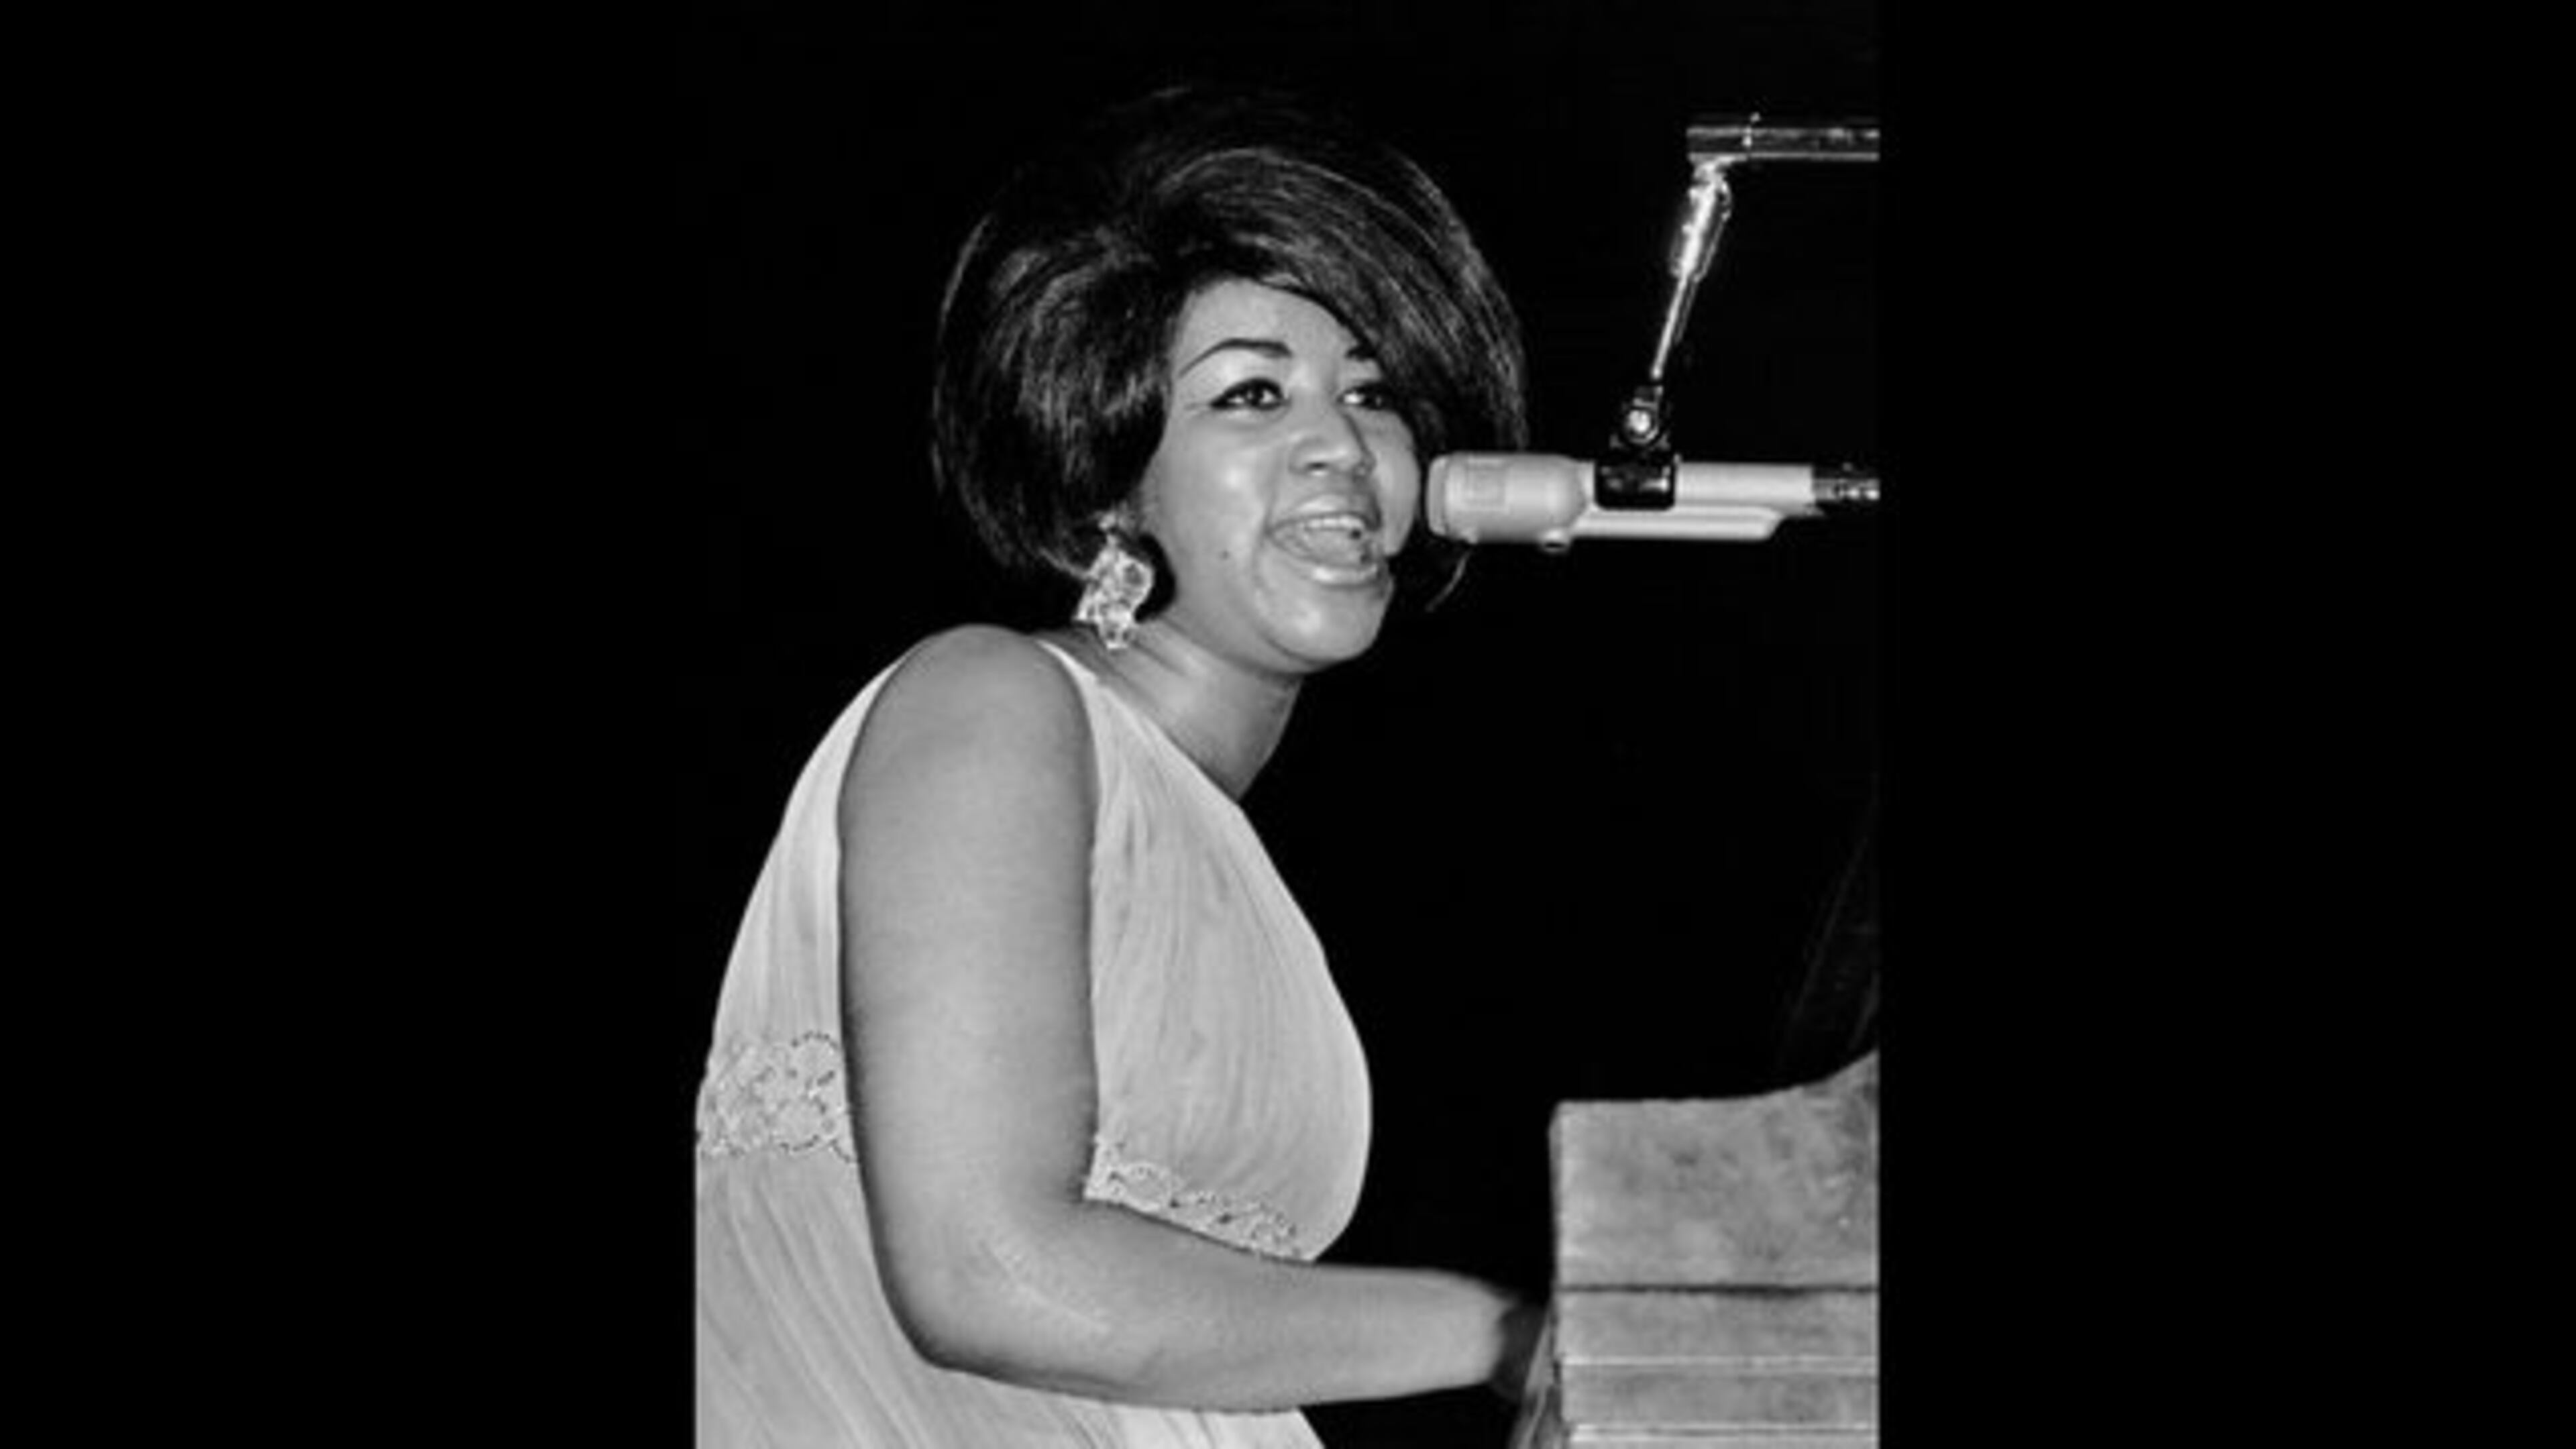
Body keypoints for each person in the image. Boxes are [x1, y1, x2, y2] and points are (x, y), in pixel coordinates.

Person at [694, 85, 1541, 1446]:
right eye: (1252, 394)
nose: (1344, 444)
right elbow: (986, 1275)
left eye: (1374, 392)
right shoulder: (993, 703)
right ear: (1109, 483)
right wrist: (1508, 1331)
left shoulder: (1232, 858)